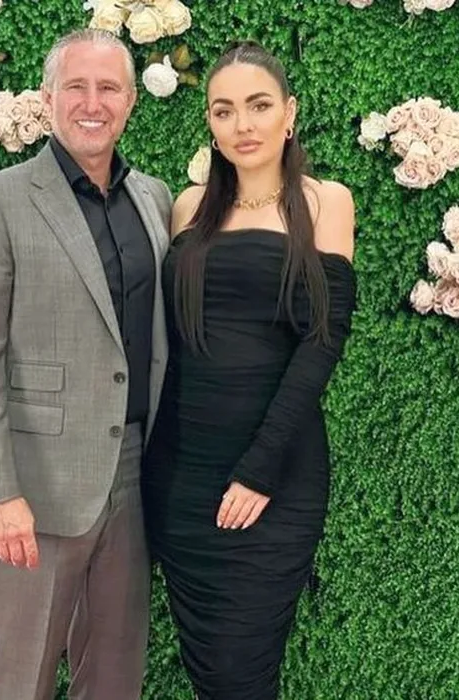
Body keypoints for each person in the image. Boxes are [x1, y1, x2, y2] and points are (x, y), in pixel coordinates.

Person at [0, 28, 172, 700]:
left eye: (108, 88)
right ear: (48, 98)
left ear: (129, 101)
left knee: (115, 676)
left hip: (134, 475)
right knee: (19, 678)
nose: (92, 103)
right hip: (33, 487)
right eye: (76, 86)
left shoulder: (154, 199)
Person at [142, 41, 357, 700]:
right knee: (209, 675)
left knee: (241, 672)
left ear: (289, 113)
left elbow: (322, 344)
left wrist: (259, 469)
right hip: (180, 480)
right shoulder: (186, 208)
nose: (243, 124)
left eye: (258, 105)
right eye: (224, 110)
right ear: (210, 123)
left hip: (275, 478)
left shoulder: (325, 203)